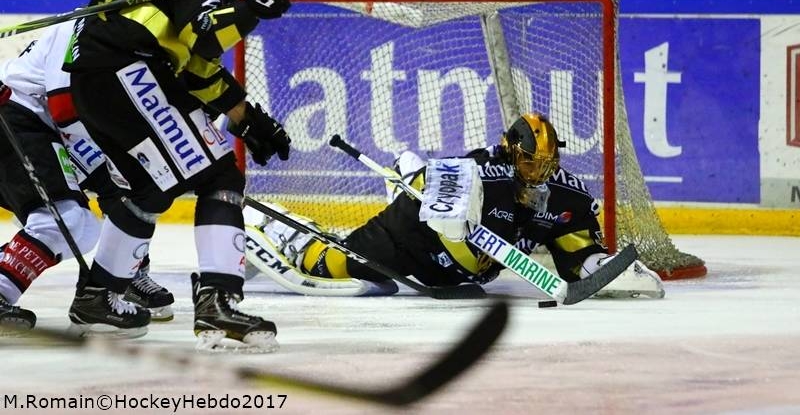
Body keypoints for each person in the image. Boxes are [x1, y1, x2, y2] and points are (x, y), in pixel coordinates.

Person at [62, 0, 299, 352]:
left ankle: (97, 297)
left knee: (149, 189)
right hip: (125, 67)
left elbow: (194, 66)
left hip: (99, 76)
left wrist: (245, 117)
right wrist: (254, 3)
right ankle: (219, 303)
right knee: (219, 176)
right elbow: (205, 36)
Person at [244, 113, 665, 299]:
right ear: (509, 149)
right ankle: (281, 227)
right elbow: (437, 184)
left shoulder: (565, 195)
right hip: (410, 235)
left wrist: (604, 268)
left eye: (546, 163)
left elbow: (577, 254)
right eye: (529, 161)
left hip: (462, 272)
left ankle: (407, 169)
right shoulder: (479, 170)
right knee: (332, 267)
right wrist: (448, 218)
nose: (537, 171)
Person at [0, 22, 174, 333]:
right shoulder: (83, 26)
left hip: (46, 126)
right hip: (20, 115)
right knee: (64, 221)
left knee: (93, 218)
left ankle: (124, 274)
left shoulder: (141, 34)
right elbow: (63, 105)